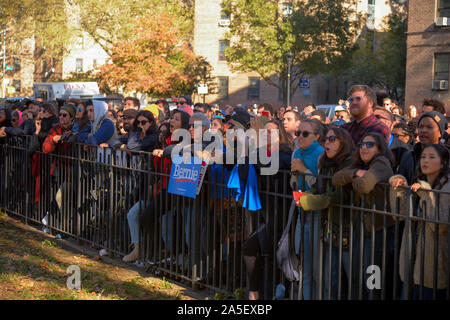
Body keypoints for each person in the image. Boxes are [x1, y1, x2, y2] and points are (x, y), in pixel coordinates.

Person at [332, 132, 395, 299]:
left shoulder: (382, 162)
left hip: (379, 230)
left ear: (380, 148)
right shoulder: (359, 164)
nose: (364, 148)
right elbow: (336, 178)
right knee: (360, 275)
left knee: (373, 278)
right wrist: (355, 173)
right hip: (361, 228)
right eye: (362, 144)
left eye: (370, 145)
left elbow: (364, 186)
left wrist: (357, 178)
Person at [295, 127, 354, 300]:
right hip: (330, 231)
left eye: (332, 139)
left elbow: (341, 195)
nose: (326, 143)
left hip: (348, 230)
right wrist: (306, 196)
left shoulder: (349, 162)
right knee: (330, 280)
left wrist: (310, 201)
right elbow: (319, 187)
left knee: (353, 281)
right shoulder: (325, 162)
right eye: (326, 140)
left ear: (343, 142)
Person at [389, 144, 449, 300]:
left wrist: (426, 192)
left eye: (431, 157)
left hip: (434, 266)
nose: (425, 161)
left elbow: (441, 226)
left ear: (443, 163)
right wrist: (399, 187)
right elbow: (399, 215)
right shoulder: (418, 182)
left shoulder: (447, 187)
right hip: (412, 258)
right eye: (423, 157)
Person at [290, 118, 324, 300]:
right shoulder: (296, 152)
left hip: (317, 214)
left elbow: (320, 186)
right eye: (298, 133)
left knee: (316, 265)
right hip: (301, 212)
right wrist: (295, 176)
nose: (300, 137)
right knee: (303, 262)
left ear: (317, 136)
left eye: (305, 134)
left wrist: (303, 169)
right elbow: (293, 184)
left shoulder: (321, 154)